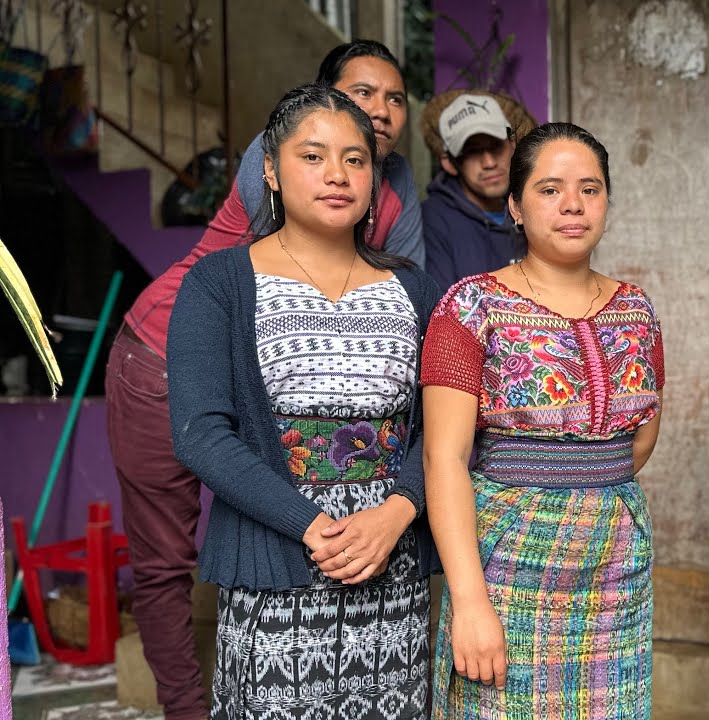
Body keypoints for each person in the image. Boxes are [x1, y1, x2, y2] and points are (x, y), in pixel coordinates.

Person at [104, 39, 422, 719]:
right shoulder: (225, 280)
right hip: (168, 368)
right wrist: (311, 522)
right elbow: (204, 433)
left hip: (392, 569)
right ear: (269, 170)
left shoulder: (408, 284)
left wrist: (397, 511)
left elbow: (444, 429)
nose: (337, 173)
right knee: (162, 563)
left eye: (355, 158)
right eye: (313, 156)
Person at [421, 122, 664, 719]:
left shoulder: (636, 309)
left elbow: (639, 443)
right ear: (516, 206)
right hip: (507, 562)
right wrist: (470, 602)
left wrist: (590, 496)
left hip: (615, 560)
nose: (573, 205)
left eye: (590, 188)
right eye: (550, 189)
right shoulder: (470, 306)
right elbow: (443, 458)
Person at [419, 89, 537, 290]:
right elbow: (443, 311)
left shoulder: (530, 206)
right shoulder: (434, 219)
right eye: (473, 151)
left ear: (512, 146)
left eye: (496, 146)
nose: (489, 162)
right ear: (449, 163)